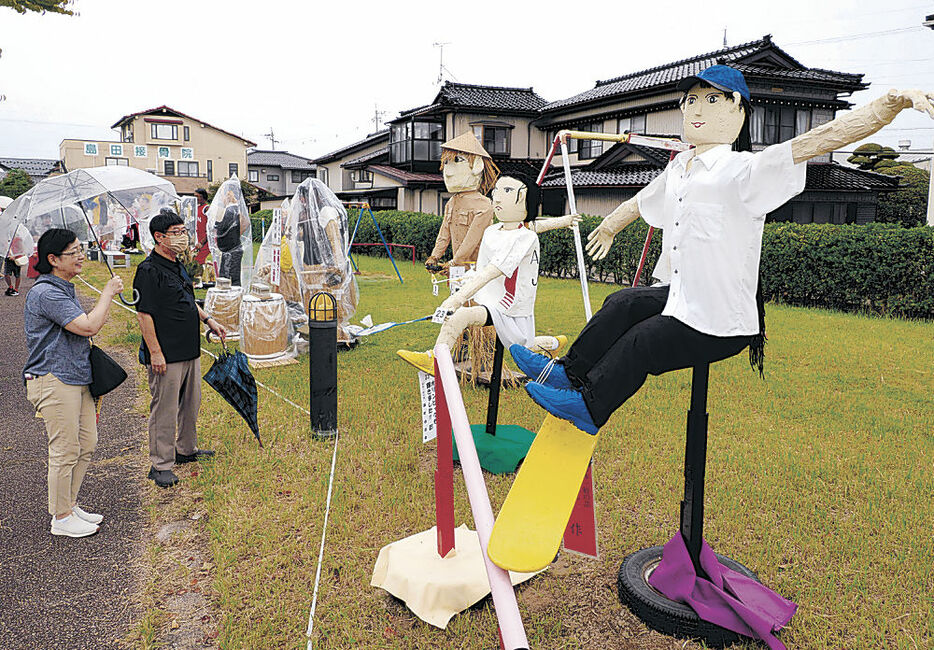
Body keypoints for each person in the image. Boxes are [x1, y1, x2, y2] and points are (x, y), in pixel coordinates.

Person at [511, 65, 934, 435]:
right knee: (623, 302)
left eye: (712, 100)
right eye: (691, 99)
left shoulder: (744, 171)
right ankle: (567, 373)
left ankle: (589, 407)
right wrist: (610, 223)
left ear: (738, 111)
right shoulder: (681, 166)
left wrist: (889, 105)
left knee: (643, 341)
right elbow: (645, 198)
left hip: (719, 319)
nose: (695, 109)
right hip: (680, 295)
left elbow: (819, 140)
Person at [398, 173, 578, 372]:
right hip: (487, 297)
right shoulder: (492, 231)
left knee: (462, 317)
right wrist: (454, 270)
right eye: (497, 190)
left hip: (509, 303)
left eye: (508, 191)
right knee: (521, 344)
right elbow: (482, 268)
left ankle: (435, 360)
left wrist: (457, 299)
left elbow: (492, 271)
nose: (498, 197)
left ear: (526, 200)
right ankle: (553, 344)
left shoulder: (525, 238)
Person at [23, 228, 124, 537]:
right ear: (53, 259)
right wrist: (107, 292)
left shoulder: (64, 287)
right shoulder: (47, 293)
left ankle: (69, 504)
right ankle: (61, 517)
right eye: (74, 252)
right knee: (65, 449)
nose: (81, 256)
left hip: (75, 376)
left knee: (86, 444)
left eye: (82, 249)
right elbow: (89, 326)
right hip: (54, 379)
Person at [133, 211, 227, 488]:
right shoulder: (148, 270)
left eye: (184, 231)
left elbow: (186, 300)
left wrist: (209, 320)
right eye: (176, 232)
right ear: (159, 237)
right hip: (166, 353)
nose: (183, 237)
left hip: (190, 349)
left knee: (190, 403)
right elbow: (144, 315)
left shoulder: (177, 265)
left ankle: (187, 449)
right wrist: (155, 353)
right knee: (165, 408)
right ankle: (160, 464)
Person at [424, 132, 499, 270]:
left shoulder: (484, 206)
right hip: (456, 269)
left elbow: (471, 241)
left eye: (457, 160)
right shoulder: (452, 202)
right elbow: (444, 233)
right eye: (446, 162)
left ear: (477, 165)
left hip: (478, 269)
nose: (447, 171)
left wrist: (454, 263)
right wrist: (434, 256)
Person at [192, 188, 211, 286]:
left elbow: (211, 227)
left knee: (199, 260)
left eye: (197, 196)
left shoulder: (207, 208)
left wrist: (203, 242)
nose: (195, 198)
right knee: (194, 260)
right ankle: (198, 279)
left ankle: (199, 282)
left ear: (202, 197)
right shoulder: (196, 208)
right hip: (197, 240)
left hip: (205, 241)